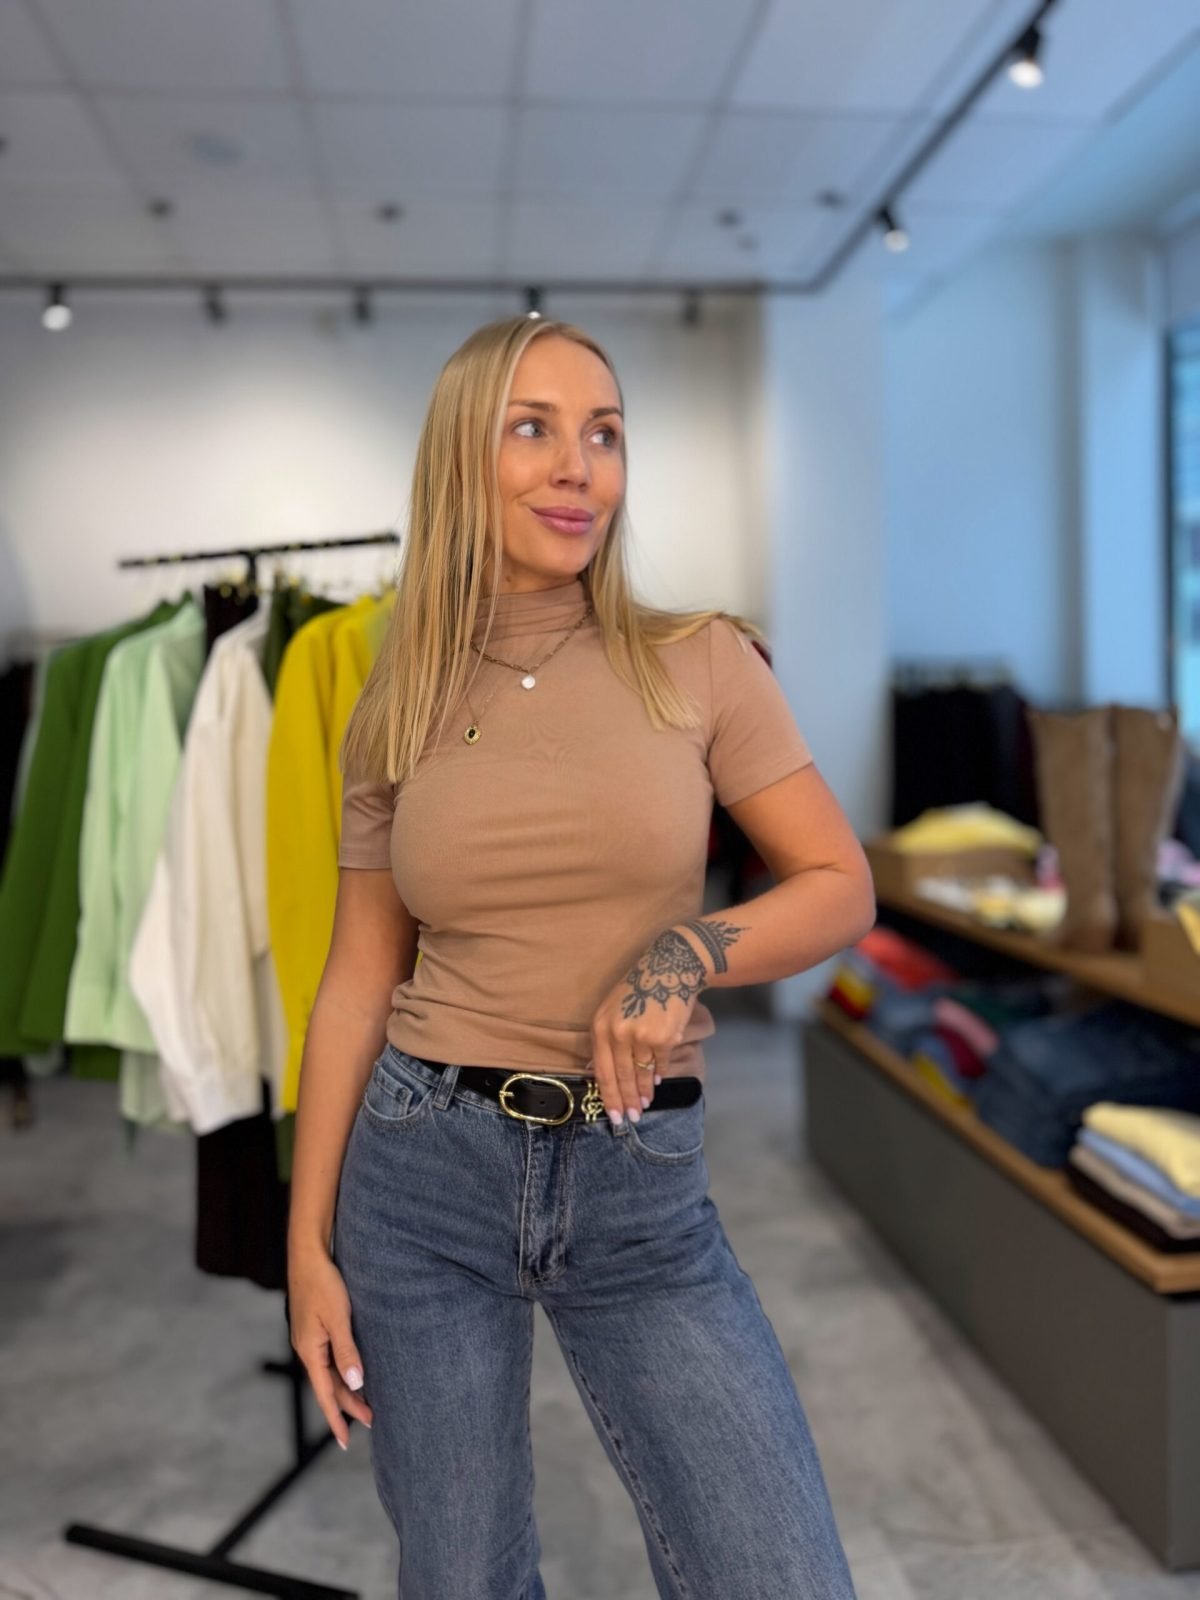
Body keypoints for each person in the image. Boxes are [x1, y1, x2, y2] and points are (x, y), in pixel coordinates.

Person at [287, 314, 873, 1598]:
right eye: (534, 429)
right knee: (464, 1577)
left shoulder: (699, 659)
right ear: (462, 457)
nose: (579, 466)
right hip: (422, 1174)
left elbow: (841, 885)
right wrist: (305, 1244)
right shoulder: (395, 698)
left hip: (635, 1178)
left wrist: (684, 953)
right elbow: (357, 980)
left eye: (604, 433)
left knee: (777, 1573)